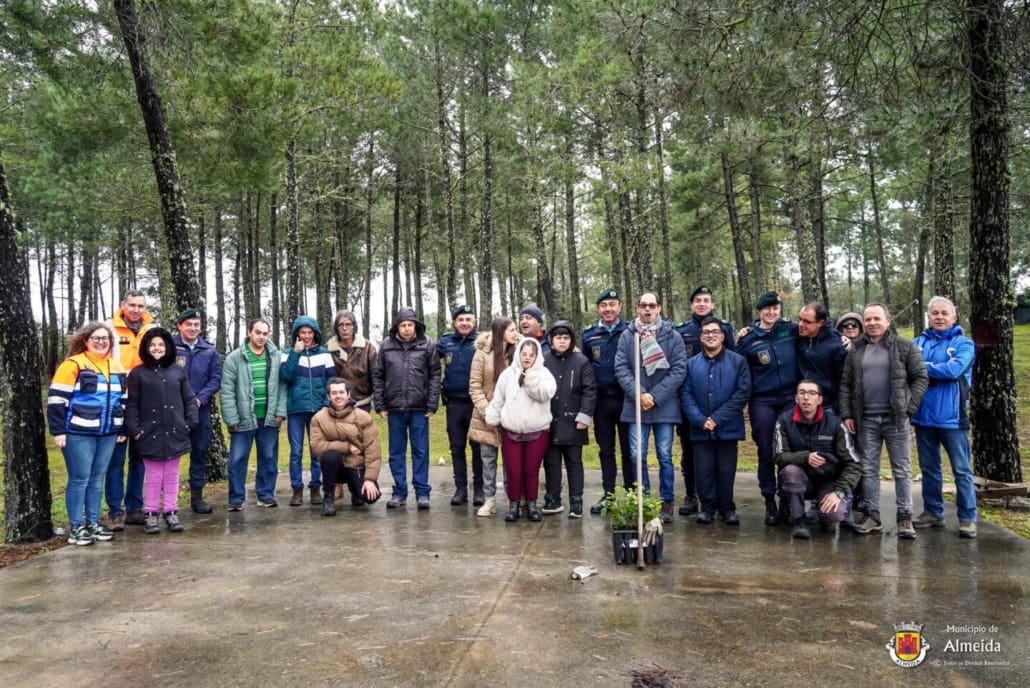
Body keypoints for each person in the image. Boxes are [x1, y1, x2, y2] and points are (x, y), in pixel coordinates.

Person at [839, 303, 928, 539]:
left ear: (888, 320)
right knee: (868, 469)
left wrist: (909, 409)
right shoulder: (856, 349)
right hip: (865, 420)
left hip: (896, 419)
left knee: (902, 469)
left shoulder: (904, 346)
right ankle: (872, 514)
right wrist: (847, 414)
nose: (871, 323)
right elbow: (846, 384)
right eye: (867, 320)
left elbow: (921, 377)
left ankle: (905, 517)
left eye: (876, 319)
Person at [47, 322, 127, 546]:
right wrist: (58, 430)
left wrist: (120, 428)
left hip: (108, 433)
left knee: (97, 479)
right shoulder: (73, 364)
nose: (101, 342)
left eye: (105, 338)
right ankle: (76, 527)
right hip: (78, 432)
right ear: (86, 340)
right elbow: (56, 400)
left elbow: (122, 401)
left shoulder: (117, 367)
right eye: (96, 338)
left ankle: (92, 523)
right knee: (80, 479)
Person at [614, 291, 687, 523]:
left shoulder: (672, 336)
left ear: (659, 308)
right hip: (636, 405)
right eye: (643, 305)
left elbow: (678, 370)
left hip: (663, 405)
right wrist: (640, 394)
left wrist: (654, 396)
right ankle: (643, 500)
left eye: (652, 306)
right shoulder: (628, 336)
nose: (647, 310)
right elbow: (621, 368)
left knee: (665, 455)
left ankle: (666, 501)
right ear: (637, 308)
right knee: (637, 455)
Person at [911, 297, 977, 538]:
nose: (939, 317)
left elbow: (953, 370)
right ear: (929, 317)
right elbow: (908, 367)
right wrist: (934, 367)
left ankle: (968, 518)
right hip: (922, 417)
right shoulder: (917, 342)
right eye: (934, 313)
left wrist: (924, 367)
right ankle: (933, 512)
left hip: (952, 419)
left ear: (954, 317)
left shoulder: (964, 344)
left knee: (961, 470)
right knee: (929, 469)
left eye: (944, 313)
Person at [125, 328, 199, 534]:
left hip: (176, 431)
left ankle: (171, 511)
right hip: (149, 433)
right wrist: (136, 430)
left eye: (160, 345)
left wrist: (190, 422)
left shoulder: (178, 371)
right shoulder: (138, 374)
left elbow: (189, 399)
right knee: (154, 476)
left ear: (167, 347)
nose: (156, 348)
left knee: (172, 475)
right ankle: (150, 513)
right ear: (146, 348)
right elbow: (132, 405)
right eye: (152, 345)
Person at [735, 291, 799, 526]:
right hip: (762, 400)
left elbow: (819, 326)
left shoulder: (790, 330)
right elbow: (737, 366)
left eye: (775, 308)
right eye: (767, 309)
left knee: (788, 450)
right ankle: (769, 500)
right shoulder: (748, 338)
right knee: (765, 450)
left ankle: (787, 500)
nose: (771, 312)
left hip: (790, 399)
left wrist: (841, 337)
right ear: (759, 311)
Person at [680, 316, 751, 525]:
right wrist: (700, 420)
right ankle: (707, 508)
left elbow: (743, 392)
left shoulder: (738, 361)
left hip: (728, 427)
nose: (711, 336)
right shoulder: (691, 364)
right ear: (701, 337)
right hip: (700, 428)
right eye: (706, 333)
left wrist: (717, 418)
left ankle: (727, 508)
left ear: (722, 336)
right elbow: (686, 394)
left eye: (715, 332)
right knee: (703, 471)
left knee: (726, 470)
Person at [674, 285, 735, 517]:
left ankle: (721, 500)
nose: (701, 303)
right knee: (690, 453)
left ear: (712, 304)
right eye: (697, 300)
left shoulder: (725, 329)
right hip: (690, 403)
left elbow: (733, 362)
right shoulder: (681, 331)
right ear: (691, 304)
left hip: (720, 402)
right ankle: (692, 494)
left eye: (706, 300)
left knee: (722, 454)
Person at [773, 380, 861, 539]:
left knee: (832, 516)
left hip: (829, 482)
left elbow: (854, 464)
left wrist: (839, 492)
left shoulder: (836, 424)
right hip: (802, 481)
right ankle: (799, 521)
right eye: (802, 393)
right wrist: (805, 457)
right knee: (790, 471)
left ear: (820, 399)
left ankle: (826, 517)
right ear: (796, 398)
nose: (806, 397)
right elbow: (779, 456)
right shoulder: (784, 421)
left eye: (812, 393)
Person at [373, 307, 441, 510]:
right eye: (403, 325)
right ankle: (399, 492)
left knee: (420, 451)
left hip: (420, 408)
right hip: (394, 409)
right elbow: (378, 375)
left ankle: (422, 492)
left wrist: (432, 403)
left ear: (415, 326)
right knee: (396, 452)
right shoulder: (386, 346)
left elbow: (435, 375)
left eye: (410, 325)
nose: (407, 329)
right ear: (397, 327)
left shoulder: (427, 344)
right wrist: (380, 404)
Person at [486, 337, 557, 522]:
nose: (527, 358)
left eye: (531, 355)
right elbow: (498, 398)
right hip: (511, 431)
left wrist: (530, 376)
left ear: (537, 356)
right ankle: (514, 505)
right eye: (524, 354)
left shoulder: (544, 374)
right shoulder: (507, 374)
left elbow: (545, 394)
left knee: (531, 470)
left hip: (537, 430)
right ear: (518, 354)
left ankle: (532, 505)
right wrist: (492, 418)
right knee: (513, 470)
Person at [222, 318, 288, 510]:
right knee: (237, 458)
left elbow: (283, 387)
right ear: (249, 332)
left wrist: (280, 412)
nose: (261, 337)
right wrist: (232, 418)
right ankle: (236, 499)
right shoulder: (234, 358)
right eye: (258, 332)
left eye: (265, 334)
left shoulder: (277, 357)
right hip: (243, 418)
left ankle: (266, 495)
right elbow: (227, 390)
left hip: (268, 417)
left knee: (268, 457)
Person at [104, 289, 157, 530]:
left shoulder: (153, 329)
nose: (136, 310)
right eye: (132, 305)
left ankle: (135, 507)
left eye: (140, 306)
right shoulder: (108, 328)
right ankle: (115, 511)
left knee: (140, 458)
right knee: (116, 459)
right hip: (116, 400)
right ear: (122, 304)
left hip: (144, 402)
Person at [581, 288, 632, 514]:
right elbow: (585, 368)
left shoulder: (631, 331)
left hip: (627, 399)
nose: (608, 309)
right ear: (598, 309)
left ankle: (632, 494)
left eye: (612, 304)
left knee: (629, 450)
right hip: (601, 402)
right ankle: (609, 494)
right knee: (606, 449)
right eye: (604, 305)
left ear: (620, 306)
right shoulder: (589, 335)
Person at [542, 321, 597, 517]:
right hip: (549, 421)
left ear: (571, 340)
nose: (562, 341)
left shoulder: (581, 361)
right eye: (558, 338)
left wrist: (584, 416)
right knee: (551, 462)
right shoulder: (543, 360)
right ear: (551, 339)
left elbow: (589, 390)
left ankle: (576, 500)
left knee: (574, 462)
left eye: (566, 338)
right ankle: (553, 498)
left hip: (574, 422)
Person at [280, 315, 335, 507]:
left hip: (318, 411)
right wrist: (296, 354)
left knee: (316, 451)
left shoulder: (324, 354)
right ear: (296, 334)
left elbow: (332, 380)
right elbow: (286, 376)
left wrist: (327, 404)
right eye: (302, 332)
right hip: (296, 410)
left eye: (309, 332)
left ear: (315, 334)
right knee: (296, 451)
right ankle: (296, 489)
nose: (306, 336)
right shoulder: (287, 354)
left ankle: (315, 488)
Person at [468, 317, 519, 517]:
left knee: (511, 460)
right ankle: (489, 500)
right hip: (486, 416)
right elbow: (475, 386)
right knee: (488, 459)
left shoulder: (518, 352)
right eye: (511, 330)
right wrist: (489, 415)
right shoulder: (481, 354)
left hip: (513, 415)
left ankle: (512, 498)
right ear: (500, 333)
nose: (515, 333)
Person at [173, 308, 222, 514]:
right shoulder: (170, 348)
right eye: (188, 325)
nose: (193, 328)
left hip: (200, 409)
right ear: (180, 326)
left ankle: (197, 496)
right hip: (174, 409)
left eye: (196, 325)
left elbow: (215, 378)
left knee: (199, 451)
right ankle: (168, 501)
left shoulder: (209, 350)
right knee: (170, 455)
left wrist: (200, 399)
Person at [310, 378, 382, 517]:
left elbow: (373, 450)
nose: (338, 396)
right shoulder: (318, 418)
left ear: (348, 394)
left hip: (356, 465)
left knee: (370, 498)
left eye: (342, 392)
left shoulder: (363, 417)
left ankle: (356, 491)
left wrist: (370, 479)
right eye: (334, 393)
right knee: (330, 456)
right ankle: (328, 498)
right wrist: (347, 447)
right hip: (334, 467)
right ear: (329, 396)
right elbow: (317, 446)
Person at [436, 305, 483, 506]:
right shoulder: (446, 342)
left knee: (478, 448)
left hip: (476, 404)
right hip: (454, 403)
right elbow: (425, 359)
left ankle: (479, 490)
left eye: (468, 320)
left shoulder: (482, 342)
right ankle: (460, 489)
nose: (464, 323)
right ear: (454, 323)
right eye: (460, 319)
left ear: (474, 322)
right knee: (457, 448)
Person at [796, 302, 848, 412]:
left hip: (827, 407)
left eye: (806, 322)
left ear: (820, 323)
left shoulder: (837, 347)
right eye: (799, 319)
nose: (800, 324)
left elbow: (843, 382)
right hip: (800, 405)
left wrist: (840, 410)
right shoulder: (798, 336)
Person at [325, 310, 377, 413]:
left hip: (362, 402)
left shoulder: (367, 348)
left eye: (348, 324)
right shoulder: (328, 349)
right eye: (341, 325)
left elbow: (376, 376)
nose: (344, 329)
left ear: (354, 326)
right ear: (336, 327)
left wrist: (379, 402)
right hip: (337, 403)